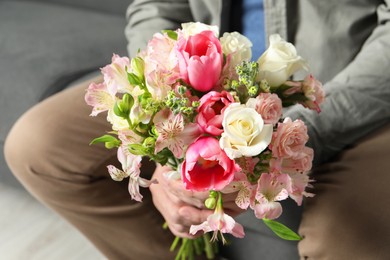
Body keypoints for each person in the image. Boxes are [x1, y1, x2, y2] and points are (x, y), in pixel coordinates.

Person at [4, 0, 390, 259]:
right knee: (37, 145)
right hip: (203, 82)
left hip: (358, 97)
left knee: (343, 234)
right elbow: (156, 7)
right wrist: (161, 124)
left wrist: (275, 144)